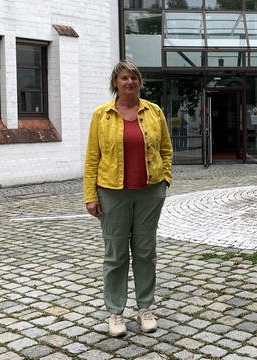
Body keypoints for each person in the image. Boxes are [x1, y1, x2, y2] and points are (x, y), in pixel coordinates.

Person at [83, 60, 173, 337]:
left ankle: (145, 308)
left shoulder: (154, 112)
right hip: (112, 193)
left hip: (149, 192)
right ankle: (115, 313)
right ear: (115, 83)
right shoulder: (102, 115)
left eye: (134, 77)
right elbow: (92, 158)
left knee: (146, 253)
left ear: (139, 82)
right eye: (124, 78)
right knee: (116, 255)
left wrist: (165, 180)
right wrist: (90, 195)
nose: (129, 82)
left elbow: (166, 149)